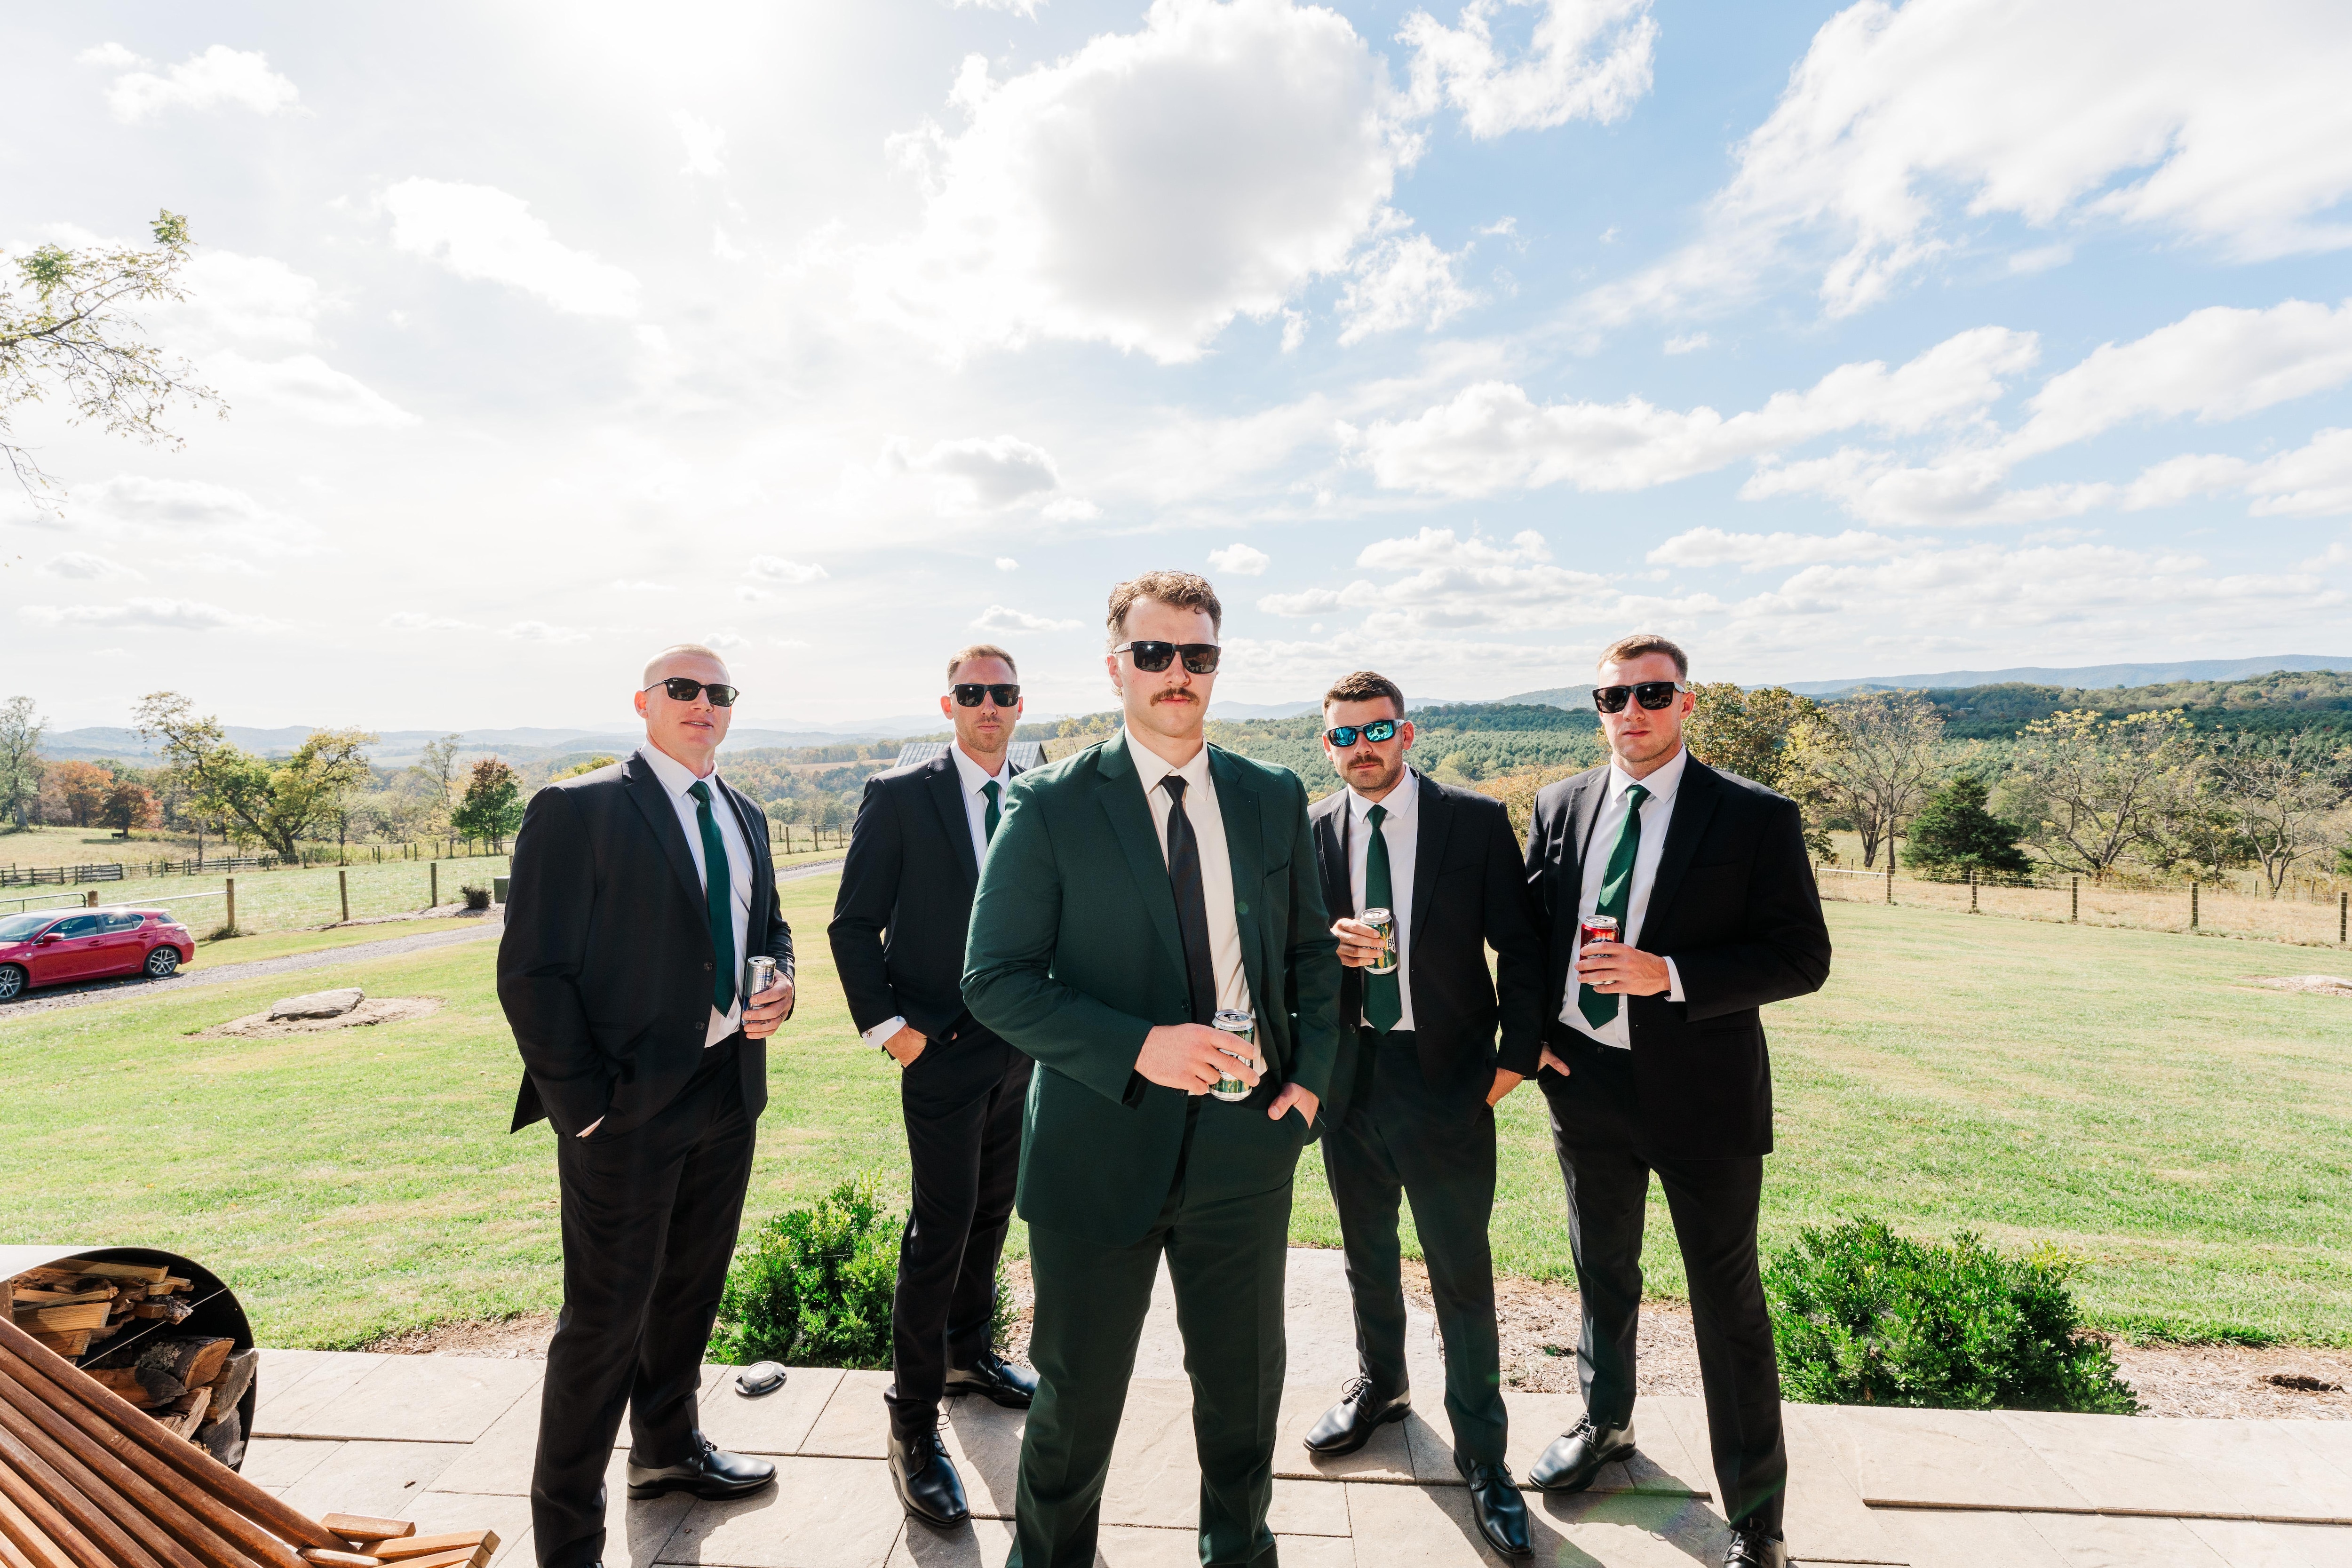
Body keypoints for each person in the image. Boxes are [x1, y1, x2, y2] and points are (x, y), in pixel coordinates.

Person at [962, 570, 1343, 1568]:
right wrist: (1139, 1045)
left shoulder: (1269, 794)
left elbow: (1310, 954)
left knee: (1242, 1395)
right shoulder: (1048, 805)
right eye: (1156, 652)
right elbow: (992, 978)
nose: (1178, 673)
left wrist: (1309, 1084)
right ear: (1116, 664)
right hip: (1095, 1147)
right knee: (1074, 1406)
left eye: (1199, 655)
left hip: (1243, 1151)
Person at [1519, 634, 1832, 1568]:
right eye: (1613, 696)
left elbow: (1801, 957)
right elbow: (1536, 930)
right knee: (1602, 1273)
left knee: (1726, 1304)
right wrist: (1527, 1029)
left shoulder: (1752, 817)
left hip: (1703, 1096)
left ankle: (1756, 1519)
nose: (1632, 712)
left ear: (1685, 702)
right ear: (1597, 706)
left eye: (1652, 693)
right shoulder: (1560, 803)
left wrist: (1671, 973)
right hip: (1586, 1083)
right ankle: (1605, 1423)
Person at [497, 644, 798, 1568]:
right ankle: (568, 1536)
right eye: (684, 689)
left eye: (719, 693)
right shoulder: (577, 807)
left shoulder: (744, 811)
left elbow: (768, 927)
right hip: (621, 1112)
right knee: (602, 1322)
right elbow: (531, 971)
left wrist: (782, 980)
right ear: (645, 702)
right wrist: (585, 1109)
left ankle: (667, 1453)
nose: (703, 704)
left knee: (688, 1293)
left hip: (725, 1091)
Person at [1299, 669, 1544, 1559]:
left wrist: (1514, 1058)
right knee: (1366, 1252)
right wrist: (1327, 945)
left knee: (1460, 1272)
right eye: (1343, 736)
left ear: (1407, 733)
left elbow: (1521, 944)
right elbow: (1289, 946)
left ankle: (1486, 1459)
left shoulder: (1471, 822)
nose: (1360, 748)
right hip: (1350, 1079)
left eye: (1376, 730)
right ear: (1327, 744)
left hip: (1447, 1080)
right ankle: (1382, 1388)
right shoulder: (1313, 827)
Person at [828, 643, 1040, 1528]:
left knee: (993, 1211)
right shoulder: (901, 795)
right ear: (946, 704)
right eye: (971, 693)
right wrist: (895, 1034)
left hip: (1023, 1045)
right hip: (939, 1049)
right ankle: (912, 1423)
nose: (987, 706)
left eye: (1001, 693)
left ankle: (969, 1354)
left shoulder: (1037, 791)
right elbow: (851, 926)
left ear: (1019, 704)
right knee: (940, 1224)